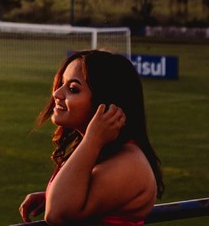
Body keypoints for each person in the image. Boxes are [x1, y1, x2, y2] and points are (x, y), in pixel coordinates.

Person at [19, 49, 163, 225]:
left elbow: (57, 214)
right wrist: (51, 195)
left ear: (105, 101)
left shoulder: (129, 162)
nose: (57, 94)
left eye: (73, 89)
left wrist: (92, 140)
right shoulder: (106, 150)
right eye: (61, 84)